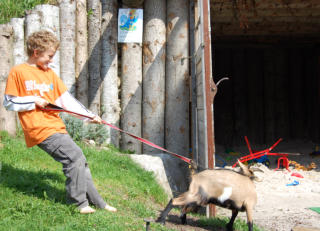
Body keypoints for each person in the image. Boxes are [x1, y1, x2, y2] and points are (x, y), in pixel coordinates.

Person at [3, 30, 117, 214]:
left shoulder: (50, 75)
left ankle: (98, 203)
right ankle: (79, 204)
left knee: (80, 161)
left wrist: (89, 116)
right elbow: (9, 102)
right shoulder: (19, 72)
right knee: (74, 157)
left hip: (56, 127)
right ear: (36, 52)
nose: (52, 61)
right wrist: (32, 100)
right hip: (38, 128)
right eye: (50, 56)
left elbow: (67, 101)